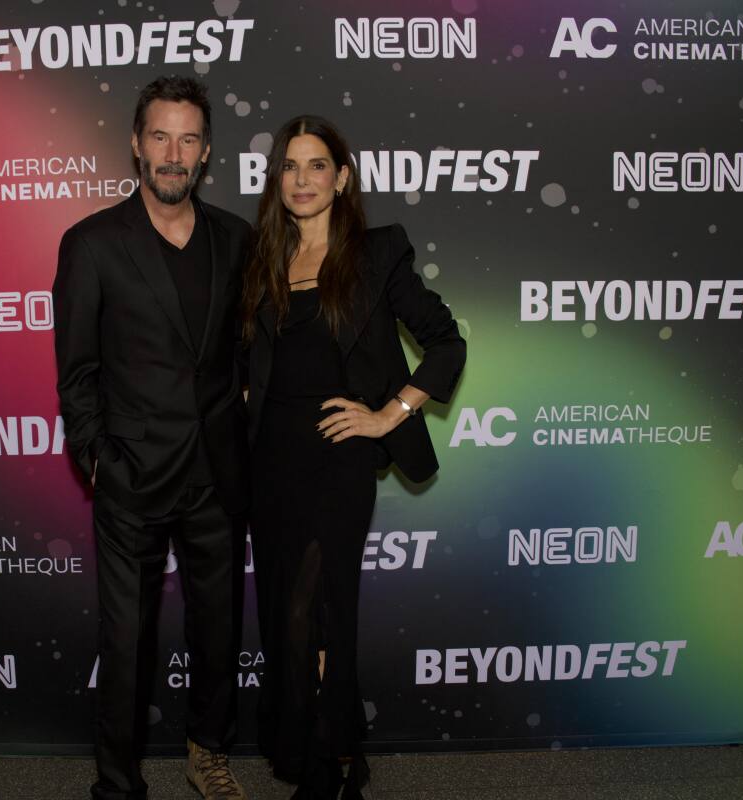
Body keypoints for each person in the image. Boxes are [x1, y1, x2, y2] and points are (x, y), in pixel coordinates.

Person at [241, 116, 466, 799]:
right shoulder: (259, 259)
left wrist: (387, 414)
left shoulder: (376, 254)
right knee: (284, 609)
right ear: (276, 179)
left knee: (316, 606)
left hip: (338, 461)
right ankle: (330, 745)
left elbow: (446, 342)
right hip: (270, 460)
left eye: (316, 166)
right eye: (289, 166)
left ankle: (325, 767)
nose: (302, 180)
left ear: (342, 178)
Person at [53, 75, 252, 800]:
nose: (174, 153)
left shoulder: (237, 239)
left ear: (206, 153)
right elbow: (77, 372)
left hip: (217, 477)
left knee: (219, 629)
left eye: (189, 138)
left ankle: (209, 754)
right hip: (132, 476)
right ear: (137, 145)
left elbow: (249, 354)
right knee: (126, 641)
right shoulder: (93, 243)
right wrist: (97, 462)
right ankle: (117, 781)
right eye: (161, 136)